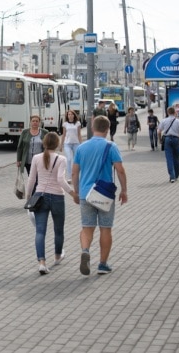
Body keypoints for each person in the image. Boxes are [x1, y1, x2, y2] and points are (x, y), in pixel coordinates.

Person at [72, 115, 128, 275]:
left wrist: (76, 192)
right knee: (105, 229)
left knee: (87, 227)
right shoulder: (111, 146)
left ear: (92, 128)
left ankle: (85, 250)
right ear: (108, 129)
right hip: (104, 195)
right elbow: (120, 170)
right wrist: (124, 190)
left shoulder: (81, 148)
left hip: (85, 194)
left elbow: (75, 172)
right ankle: (102, 264)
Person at [26, 132, 78, 275]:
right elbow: (61, 180)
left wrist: (28, 196)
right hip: (57, 197)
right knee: (58, 230)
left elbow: (31, 179)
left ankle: (42, 262)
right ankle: (57, 256)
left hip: (40, 197)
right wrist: (72, 193)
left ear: (44, 143)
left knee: (40, 231)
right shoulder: (61, 159)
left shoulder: (36, 158)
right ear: (57, 144)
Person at [158, 106, 179, 183]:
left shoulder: (164, 121)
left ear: (167, 112)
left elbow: (159, 131)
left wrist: (160, 140)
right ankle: (177, 174)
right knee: (176, 158)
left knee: (169, 158)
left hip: (167, 139)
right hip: (176, 139)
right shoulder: (178, 121)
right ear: (174, 112)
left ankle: (172, 176)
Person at [60, 110, 82, 181]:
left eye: (71, 114)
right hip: (67, 144)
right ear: (67, 116)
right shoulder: (65, 124)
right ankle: (69, 177)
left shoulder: (78, 123)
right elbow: (63, 135)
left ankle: (76, 175)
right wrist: (61, 145)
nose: (70, 116)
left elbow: (79, 134)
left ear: (74, 115)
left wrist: (81, 144)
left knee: (76, 160)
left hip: (76, 143)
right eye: (69, 114)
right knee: (69, 159)